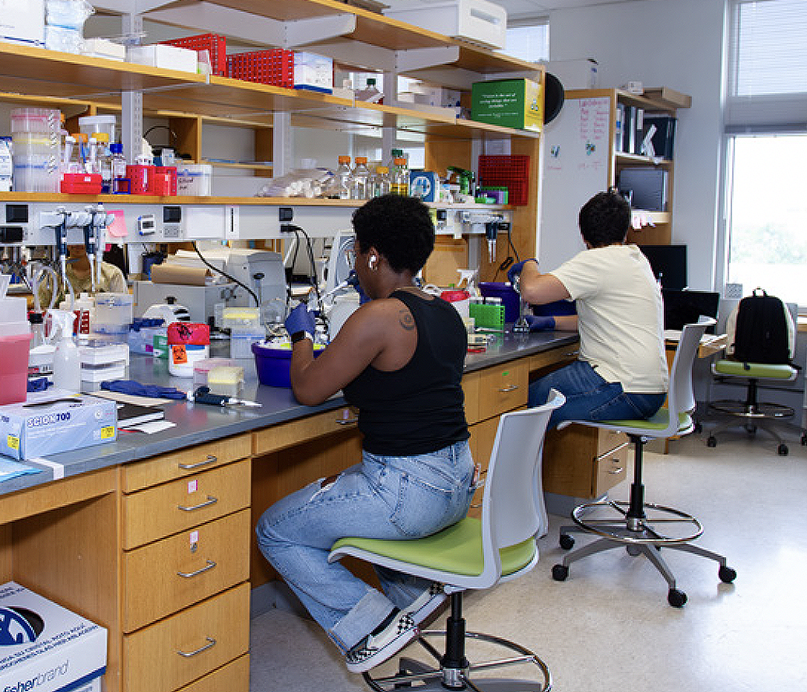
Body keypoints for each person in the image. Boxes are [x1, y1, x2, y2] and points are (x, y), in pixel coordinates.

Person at [255, 194, 475, 674]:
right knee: (348, 502)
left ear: (372, 254)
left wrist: (300, 336)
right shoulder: (444, 312)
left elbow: (309, 388)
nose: (355, 263)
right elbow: (403, 380)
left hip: (407, 493)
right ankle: (415, 598)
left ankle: (368, 626)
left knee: (274, 531)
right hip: (457, 485)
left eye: (357, 253)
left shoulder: (377, 318)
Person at [512, 190, 667, 427]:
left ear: (584, 235)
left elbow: (531, 290)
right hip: (650, 390)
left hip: (620, 387)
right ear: (625, 230)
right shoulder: (636, 258)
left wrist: (529, 264)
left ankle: (511, 465)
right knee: (537, 394)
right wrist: (552, 322)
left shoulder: (598, 260)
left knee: (521, 402)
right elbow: (606, 319)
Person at [35, 244, 128, 309]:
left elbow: (123, 310)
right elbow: (41, 310)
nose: (78, 243)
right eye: (73, 237)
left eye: (83, 237)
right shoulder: (53, 275)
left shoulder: (112, 274)